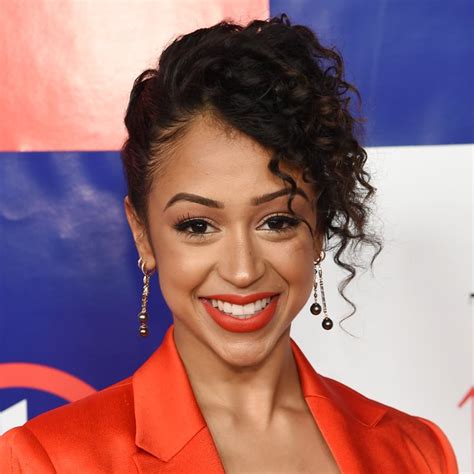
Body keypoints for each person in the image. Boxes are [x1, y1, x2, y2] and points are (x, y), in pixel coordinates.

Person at [0, 14, 458, 473]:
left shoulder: (415, 452)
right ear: (143, 234)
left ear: (318, 230)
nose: (242, 270)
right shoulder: (48, 460)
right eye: (198, 226)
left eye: (277, 221)